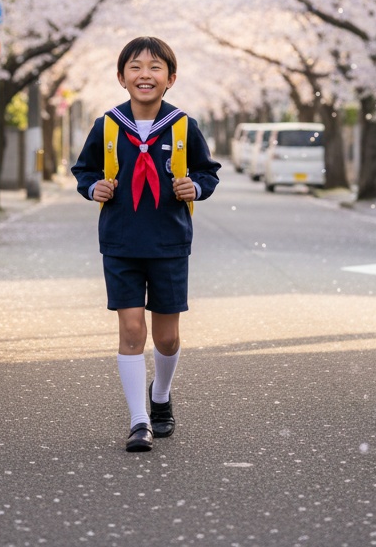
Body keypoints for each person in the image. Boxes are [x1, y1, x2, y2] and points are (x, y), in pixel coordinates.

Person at [72, 36, 221, 452]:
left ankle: (160, 396)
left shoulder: (182, 125)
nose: (145, 75)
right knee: (132, 328)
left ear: (171, 78)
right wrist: (92, 188)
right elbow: (83, 170)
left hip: (169, 241)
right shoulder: (106, 125)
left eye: (155, 68)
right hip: (120, 241)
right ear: (121, 77)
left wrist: (197, 186)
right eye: (135, 67)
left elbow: (209, 172)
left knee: (167, 338)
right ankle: (140, 422)